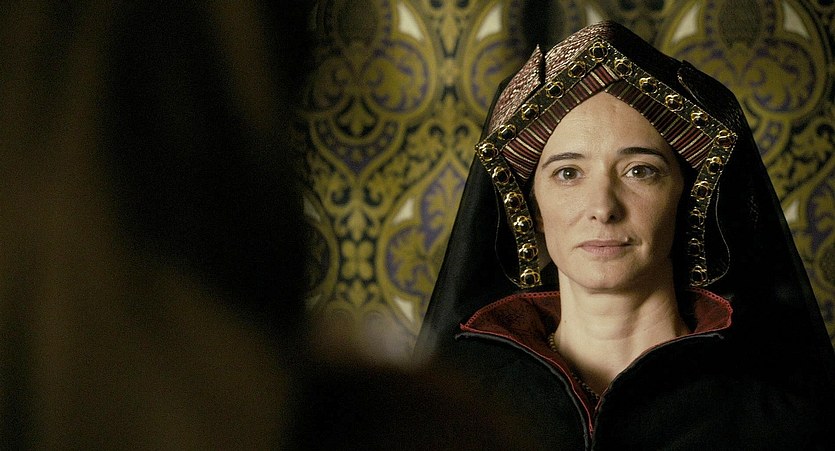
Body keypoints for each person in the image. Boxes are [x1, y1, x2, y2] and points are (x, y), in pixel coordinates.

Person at [416, 21, 835, 448]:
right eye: (568, 173)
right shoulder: (459, 409)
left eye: (640, 171)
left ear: (688, 197)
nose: (603, 208)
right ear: (533, 208)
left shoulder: (777, 417)